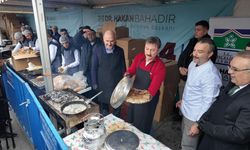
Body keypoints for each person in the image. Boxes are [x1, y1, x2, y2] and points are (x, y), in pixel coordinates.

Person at [193, 50, 250, 150]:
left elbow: (239, 134)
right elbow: (218, 103)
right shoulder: (233, 83)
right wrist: (201, 121)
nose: (229, 72)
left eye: (235, 69)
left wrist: (205, 127)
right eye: (230, 67)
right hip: (209, 141)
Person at [176, 38, 222, 150]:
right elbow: (191, 87)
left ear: (210, 54)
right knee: (184, 140)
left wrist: (198, 124)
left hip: (195, 117)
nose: (195, 54)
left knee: (189, 146)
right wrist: (183, 100)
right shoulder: (193, 63)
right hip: (186, 110)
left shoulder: (210, 75)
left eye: (200, 52)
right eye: (195, 50)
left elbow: (209, 103)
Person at [125, 36, 166, 134]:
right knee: (131, 119)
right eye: (147, 49)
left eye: (152, 50)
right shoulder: (139, 57)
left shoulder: (160, 67)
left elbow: (152, 90)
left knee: (143, 123)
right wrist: (127, 74)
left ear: (158, 50)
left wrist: (134, 97)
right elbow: (132, 70)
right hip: (135, 94)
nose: (148, 53)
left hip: (148, 99)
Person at [177, 20, 217, 100]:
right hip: (184, 78)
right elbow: (183, 56)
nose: (195, 32)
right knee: (182, 101)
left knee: (193, 102)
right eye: (195, 29)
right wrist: (180, 67)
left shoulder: (210, 45)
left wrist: (189, 73)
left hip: (197, 83)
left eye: (198, 30)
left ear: (206, 31)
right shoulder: (192, 41)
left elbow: (207, 64)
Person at [91, 30, 126, 117]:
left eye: (112, 41)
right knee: (104, 107)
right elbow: (93, 68)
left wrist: (125, 80)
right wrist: (94, 82)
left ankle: (116, 119)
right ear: (103, 40)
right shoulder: (97, 50)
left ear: (115, 40)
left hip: (116, 83)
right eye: (107, 41)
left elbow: (123, 67)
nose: (109, 43)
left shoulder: (120, 51)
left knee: (117, 104)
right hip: (103, 83)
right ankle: (105, 119)